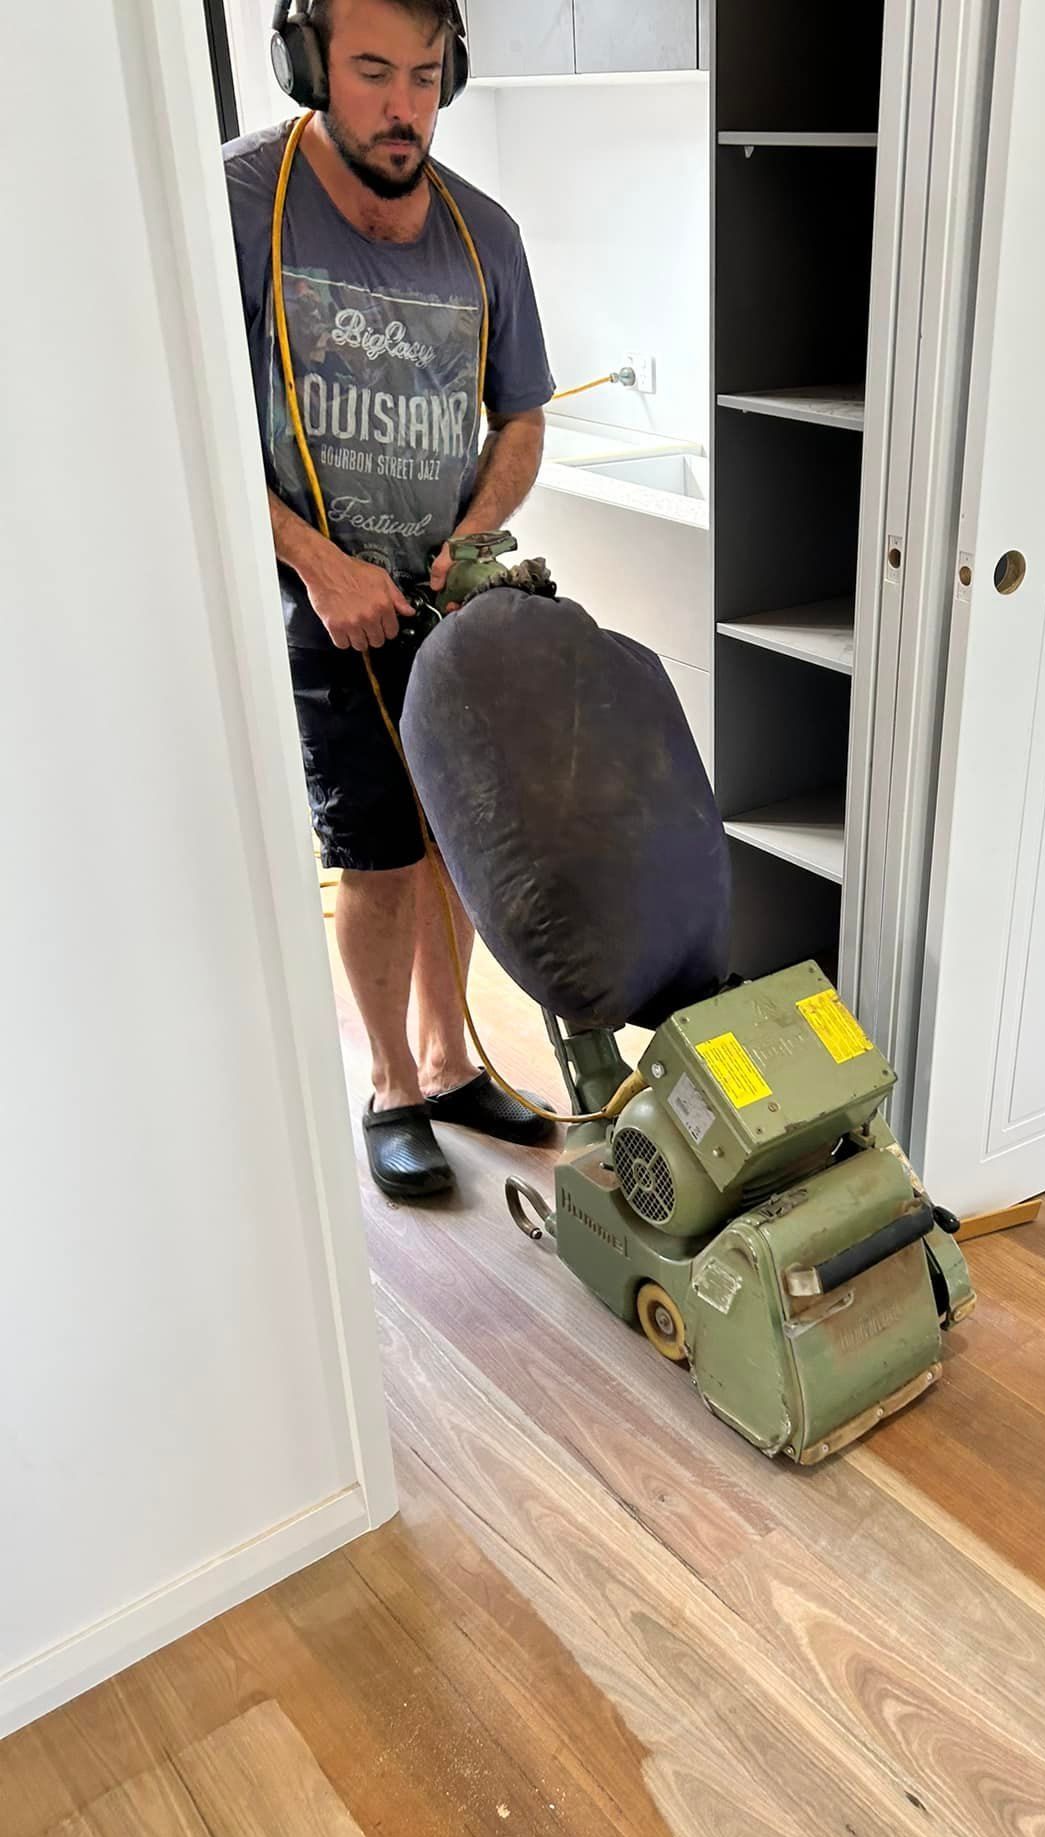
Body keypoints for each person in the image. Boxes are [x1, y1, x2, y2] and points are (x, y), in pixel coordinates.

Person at [225, 0, 556, 1199]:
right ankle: (392, 1086)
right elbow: (196, 426)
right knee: (371, 852)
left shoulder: (485, 238)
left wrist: (469, 544)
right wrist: (320, 562)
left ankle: (454, 1058)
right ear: (308, 63)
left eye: (424, 75)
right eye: (370, 72)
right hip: (317, 604)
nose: (402, 104)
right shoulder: (240, 208)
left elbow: (520, 418)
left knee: (451, 844)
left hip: (443, 604)